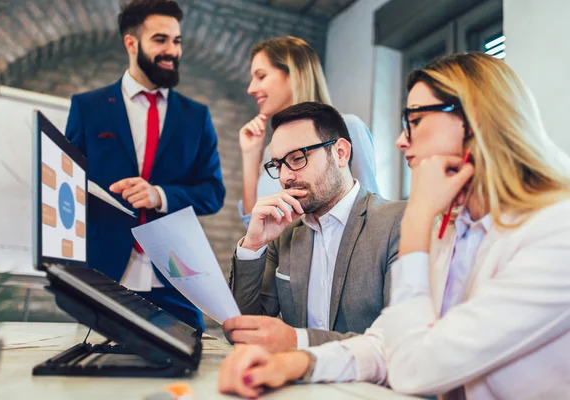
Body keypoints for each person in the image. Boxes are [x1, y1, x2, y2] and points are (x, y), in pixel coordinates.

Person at [218, 52, 570, 400]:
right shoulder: (458, 228)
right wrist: (295, 364)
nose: (401, 141)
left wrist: (417, 219)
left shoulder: (557, 233)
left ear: (475, 120)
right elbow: (388, 342)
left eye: (414, 121)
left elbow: (416, 365)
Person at [65, 0, 225, 329]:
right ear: (131, 42)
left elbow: (213, 193)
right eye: (160, 40)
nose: (172, 50)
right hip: (102, 272)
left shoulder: (197, 117)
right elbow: (67, 182)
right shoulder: (87, 107)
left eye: (177, 41)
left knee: (187, 368)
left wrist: (160, 196)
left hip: (176, 277)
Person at [224, 102, 404, 353]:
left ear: (340, 153)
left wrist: (298, 342)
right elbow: (241, 331)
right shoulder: (283, 234)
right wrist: (253, 245)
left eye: (297, 159)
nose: (286, 177)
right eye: (278, 165)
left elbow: (398, 339)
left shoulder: (396, 224)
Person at [239, 36, 379, 228]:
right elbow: (254, 226)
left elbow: (371, 213)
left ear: (294, 73)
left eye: (261, 76)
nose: (251, 88)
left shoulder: (349, 127)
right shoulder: (272, 152)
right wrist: (250, 154)